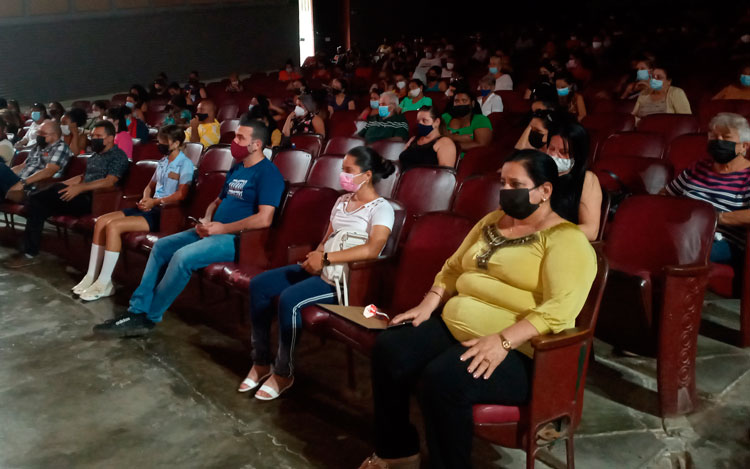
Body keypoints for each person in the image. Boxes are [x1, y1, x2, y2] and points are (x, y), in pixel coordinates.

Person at [359, 149, 597, 469]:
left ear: (545, 190)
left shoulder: (565, 239)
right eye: (503, 181)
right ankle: (398, 451)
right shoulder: (492, 222)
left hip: (524, 351)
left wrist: (502, 341)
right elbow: (453, 268)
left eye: (516, 183)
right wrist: (428, 303)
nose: (506, 190)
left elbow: (560, 308)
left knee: (443, 380)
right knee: (390, 348)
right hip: (456, 325)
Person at [92, 118, 285, 337]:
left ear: (257, 144)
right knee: (162, 247)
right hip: (212, 229)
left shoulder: (269, 174)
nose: (235, 142)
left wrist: (222, 228)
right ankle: (137, 309)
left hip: (238, 239)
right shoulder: (237, 169)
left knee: (182, 257)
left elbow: (264, 219)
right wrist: (207, 218)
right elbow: (217, 201)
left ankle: (148, 317)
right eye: (235, 136)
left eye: (241, 138)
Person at [241, 146, 397, 400]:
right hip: (324, 266)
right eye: (342, 169)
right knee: (260, 284)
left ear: (367, 175)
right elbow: (327, 239)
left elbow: (373, 249)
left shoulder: (381, 208)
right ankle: (260, 361)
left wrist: (325, 258)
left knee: (290, 300)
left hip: (345, 280)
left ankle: (283, 372)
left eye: (349, 170)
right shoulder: (342, 201)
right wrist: (317, 256)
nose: (342, 175)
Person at [73, 125, 195, 302]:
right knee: (101, 222)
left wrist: (155, 202)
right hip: (150, 206)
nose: (159, 144)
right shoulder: (163, 161)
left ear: (176, 143)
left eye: (163, 142)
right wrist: (146, 198)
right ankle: (91, 276)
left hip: (164, 212)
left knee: (114, 227)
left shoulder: (186, 164)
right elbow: (150, 186)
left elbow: (181, 194)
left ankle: (105, 282)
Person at [4, 121, 128, 269]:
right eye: (93, 135)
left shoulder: (118, 156)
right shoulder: (95, 156)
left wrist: (80, 188)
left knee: (36, 199)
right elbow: (83, 176)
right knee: (38, 203)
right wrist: (64, 185)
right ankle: (30, 251)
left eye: (98, 136)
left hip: (94, 199)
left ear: (109, 138)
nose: (93, 138)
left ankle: (29, 250)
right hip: (78, 194)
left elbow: (110, 181)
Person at [663, 113, 750, 293]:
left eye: (726, 138)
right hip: (683, 230)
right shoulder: (698, 167)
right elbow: (666, 193)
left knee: (676, 251)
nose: (718, 141)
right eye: (713, 136)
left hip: (724, 240)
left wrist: (712, 218)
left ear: (744, 146)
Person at [545, 120, 602, 241]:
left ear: (578, 154)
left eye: (563, 152)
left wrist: (547, 233)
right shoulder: (534, 173)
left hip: (562, 243)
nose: (555, 155)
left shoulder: (587, 179)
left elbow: (591, 230)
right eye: (551, 149)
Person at [0, 120, 72, 202]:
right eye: (38, 132)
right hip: (19, 180)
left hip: (32, 186)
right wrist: (7, 172)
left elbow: (49, 171)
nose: (38, 135)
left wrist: (22, 183)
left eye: (42, 133)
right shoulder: (39, 146)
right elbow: (23, 166)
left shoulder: (60, 147)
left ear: (54, 135)